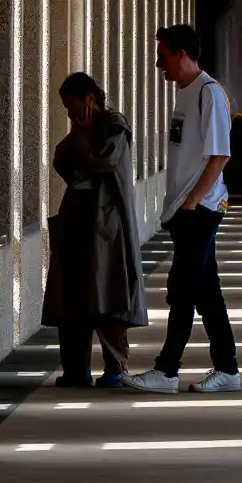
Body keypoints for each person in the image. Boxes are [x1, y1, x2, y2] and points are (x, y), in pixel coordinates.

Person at [127, 25, 241, 394]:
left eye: (162, 57)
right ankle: (228, 369)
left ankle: (167, 370)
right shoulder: (185, 93)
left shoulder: (210, 94)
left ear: (180, 54)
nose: (160, 66)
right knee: (206, 292)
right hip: (183, 210)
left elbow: (220, 155)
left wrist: (192, 203)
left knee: (183, 289)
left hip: (201, 209)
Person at [42, 71, 147, 388]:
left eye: (72, 105)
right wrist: (78, 133)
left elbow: (99, 163)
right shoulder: (80, 131)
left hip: (106, 225)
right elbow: (62, 161)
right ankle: (75, 369)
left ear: (89, 99)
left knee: (107, 293)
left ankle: (116, 366)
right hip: (76, 218)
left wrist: (84, 136)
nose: (71, 114)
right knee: (72, 296)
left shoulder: (114, 126)